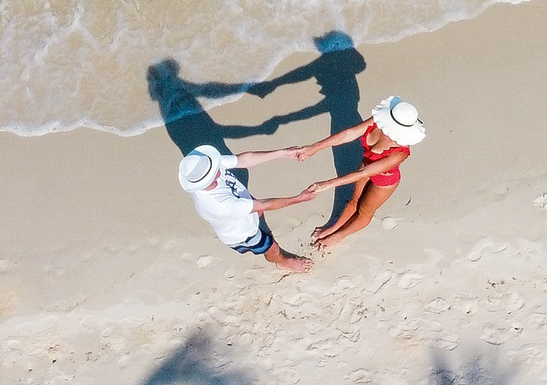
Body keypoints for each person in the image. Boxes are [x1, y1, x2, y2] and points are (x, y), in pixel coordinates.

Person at [292, 96, 426, 249]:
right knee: (353, 201)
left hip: (385, 180)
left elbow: (364, 173)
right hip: (366, 165)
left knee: (364, 211)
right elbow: (349, 134)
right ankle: (332, 228)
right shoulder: (378, 121)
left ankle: (340, 235)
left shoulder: (400, 152)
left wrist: (328, 184)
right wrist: (314, 147)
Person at [179, 145, 319, 272]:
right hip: (242, 233)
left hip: (244, 209)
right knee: (272, 247)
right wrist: (299, 198)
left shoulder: (207, 166)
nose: (219, 170)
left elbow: (244, 160)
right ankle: (282, 262)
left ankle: (258, 223)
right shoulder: (218, 206)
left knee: (257, 211)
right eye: (214, 173)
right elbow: (265, 205)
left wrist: (283, 153)